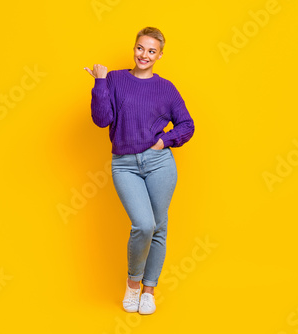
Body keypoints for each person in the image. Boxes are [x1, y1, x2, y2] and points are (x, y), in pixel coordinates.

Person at [85, 26, 194, 315]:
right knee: (143, 225)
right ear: (133, 49)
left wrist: (165, 141)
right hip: (124, 164)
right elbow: (101, 119)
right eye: (140, 48)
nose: (144, 55)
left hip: (159, 162)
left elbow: (187, 124)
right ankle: (133, 285)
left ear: (160, 55)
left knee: (158, 227)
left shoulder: (166, 88)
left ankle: (149, 290)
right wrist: (99, 82)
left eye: (151, 51)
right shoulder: (115, 79)